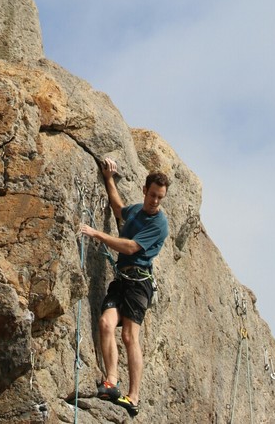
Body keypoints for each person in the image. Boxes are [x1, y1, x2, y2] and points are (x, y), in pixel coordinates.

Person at [79, 158, 170, 418]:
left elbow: (130, 247)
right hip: (122, 280)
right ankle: (111, 381)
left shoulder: (158, 224)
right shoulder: (138, 212)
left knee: (130, 336)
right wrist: (109, 178)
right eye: (152, 195)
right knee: (106, 324)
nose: (155, 201)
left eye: (160, 198)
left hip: (139, 284)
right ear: (145, 191)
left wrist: (98, 235)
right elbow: (119, 209)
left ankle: (134, 397)